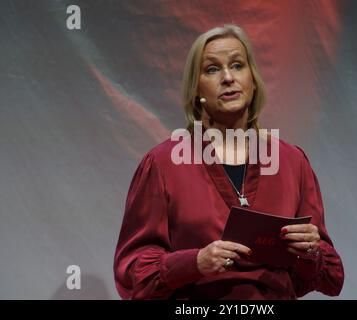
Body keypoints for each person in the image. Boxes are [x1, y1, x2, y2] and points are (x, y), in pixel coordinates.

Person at [113, 24, 344, 299]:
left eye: (237, 65)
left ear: (253, 80)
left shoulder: (292, 161)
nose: (227, 78)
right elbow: (131, 274)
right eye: (212, 69)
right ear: (196, 89)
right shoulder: (163, 164)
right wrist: (194, 263)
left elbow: (331, 278)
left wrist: (310, 251)